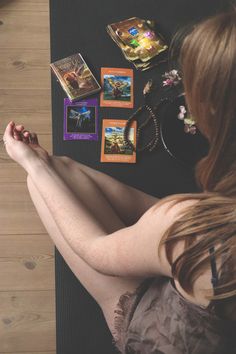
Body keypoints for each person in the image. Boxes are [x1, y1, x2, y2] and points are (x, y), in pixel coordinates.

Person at [2, 8, 236, 354]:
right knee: (61, 168)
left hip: (164, 329)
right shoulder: (190, 222)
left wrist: (31, 165)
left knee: (43, 180)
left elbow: (96, 251)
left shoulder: (194, 230)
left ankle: (39, 168)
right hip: (200, 271)